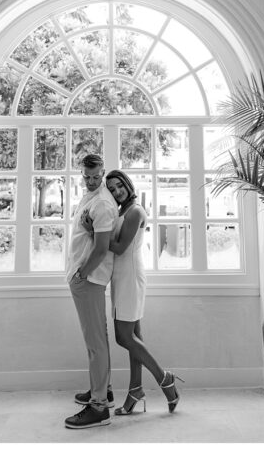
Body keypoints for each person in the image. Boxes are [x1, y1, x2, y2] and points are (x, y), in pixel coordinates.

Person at [84, 170, 182, 415]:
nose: (117, 191)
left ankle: (165, 378)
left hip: (129, 277)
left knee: (123, 337)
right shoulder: (122, 211)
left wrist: (93, 231)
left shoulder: (135, 211)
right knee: (134, 336)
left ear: (128, 184)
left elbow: (117, 248)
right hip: (122, 276)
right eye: (112, 188)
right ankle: (135, 390)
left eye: (120, 186)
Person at [64, 153, 116, 429]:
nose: (92, 181)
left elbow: (102, 247)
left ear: (103, 172)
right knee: (97, 339)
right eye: (87, 177)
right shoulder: (91, 196)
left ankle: (98, 407)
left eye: (97, 177)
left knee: (95, 343)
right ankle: (103, 391)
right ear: (81, 173)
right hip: (85, 277)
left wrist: (81, 272)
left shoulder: (104, 204)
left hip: (90, 279)